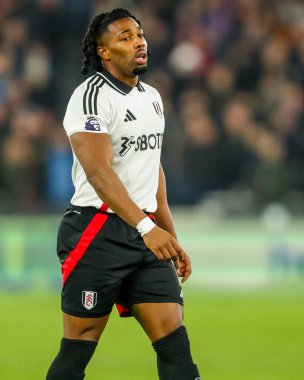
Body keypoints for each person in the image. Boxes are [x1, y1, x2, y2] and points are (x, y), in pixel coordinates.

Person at [46, 8, 201, 380]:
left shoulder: (152, 97)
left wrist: (170, 235)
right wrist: (149, 230)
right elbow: (100, 173)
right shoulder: (90, 98)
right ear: (104, 52)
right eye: (126, 37)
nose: (139, 42)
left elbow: (153, 169)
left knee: (174, 340)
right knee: (79, 345)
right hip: (96, 232)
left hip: (144, 232)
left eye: (140, 34)